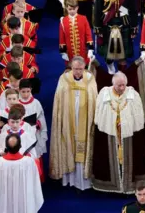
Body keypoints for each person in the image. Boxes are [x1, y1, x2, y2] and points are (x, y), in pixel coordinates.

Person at [92, 72, 145, 193]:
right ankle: (111, 186)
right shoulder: (104, 94)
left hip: (129, 137)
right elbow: (99, 114)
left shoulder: (133, 94)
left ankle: (129, 186)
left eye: (123, 85)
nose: (122, 88)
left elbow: (139, 116)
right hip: (109, 135)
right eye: (119, 85)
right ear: (113, 84)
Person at [49, 56, 98, 190]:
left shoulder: (90, 79)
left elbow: (94, 99)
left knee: (83, 145)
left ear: (84, 67)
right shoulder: (64, 79)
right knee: (69, 144)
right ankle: (69, 180)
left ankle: (83, 181)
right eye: (75, 69)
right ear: (71, 67)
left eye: (80, 69)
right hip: (68, 118)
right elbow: (59, 100)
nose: (77, 72)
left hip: (84, 118)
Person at [94, 0, 137, 74]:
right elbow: (98, 9)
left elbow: (133, 9)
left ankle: (122, 74)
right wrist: (98, 27)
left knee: (124, 54)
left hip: (124, 23)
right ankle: (111, 69)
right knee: (108, 53)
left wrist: (134, 27)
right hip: (107, 23)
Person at [0, 133, 44, 213]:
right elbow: (36, 178)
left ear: (6, 147)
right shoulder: (29, 162)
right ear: (20, 146)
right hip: (22, 200)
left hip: (4, 199)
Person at [59, 0, 94, 64]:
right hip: (70, 52)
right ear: (66, 8)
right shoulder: (63, 21)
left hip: (83, 51)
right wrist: (63, 52)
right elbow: (62, 37)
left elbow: (88, 34)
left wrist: (90, 49)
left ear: (77, 8)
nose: (72, 11)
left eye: (74, 9)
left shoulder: (83, 18)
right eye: (70, 9)